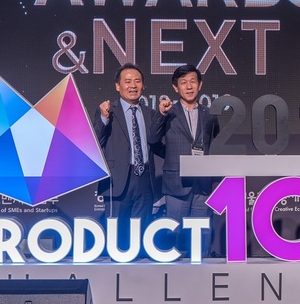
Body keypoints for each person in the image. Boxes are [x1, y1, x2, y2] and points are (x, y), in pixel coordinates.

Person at [149, 64, 220, 258]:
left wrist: (214, 176)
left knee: (201, 234)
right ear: (176, 87)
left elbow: (215, 145)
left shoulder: (210, 115)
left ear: (200, 85)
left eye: (192, 82)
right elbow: (153, 140)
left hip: (202, 183)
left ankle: (201, 268)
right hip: (176, 182)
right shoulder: (168, 113)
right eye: (183, 82)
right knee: (174, 231)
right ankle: (173, 271)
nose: (189, 86)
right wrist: (161, 115)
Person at [93, 63, 163, 256]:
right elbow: (96, 142)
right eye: (128, 81)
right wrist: (104, 118)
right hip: (118, 180)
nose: (133, 85)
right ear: (118, 86)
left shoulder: (150, 114)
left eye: (137, 81)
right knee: (118, 233)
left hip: (145, 179)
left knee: (141, 231)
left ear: (143, 86)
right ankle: (117, 266)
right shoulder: (108, 111)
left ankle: (139, 268)